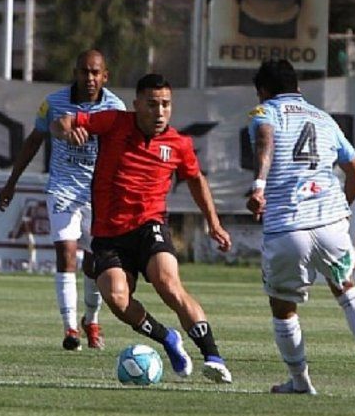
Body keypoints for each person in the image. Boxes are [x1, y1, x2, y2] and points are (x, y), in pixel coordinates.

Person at [52, 73, 234, 384]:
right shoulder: (113, 122)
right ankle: (167, 338)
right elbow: (60, 123)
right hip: (109, 234)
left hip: (150, 226)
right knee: (117, 298)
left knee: (168, 283)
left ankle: (213, 357)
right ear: (136, 105)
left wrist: (214, 223)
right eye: (152, 104)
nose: (160, 112)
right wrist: (67, 132)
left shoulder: (178, 144)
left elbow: (195, 180)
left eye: (166, 104)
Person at [245, 59, 355, 395]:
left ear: (262, 91)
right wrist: (341, 209)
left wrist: (259, 184)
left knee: (283, 307)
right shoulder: (324, 118)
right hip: (331, 224)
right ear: (298, 88)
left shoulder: (264, 112)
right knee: (347, 290)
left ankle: (300, 382)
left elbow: (264, 138)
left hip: (288, 226)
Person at [0, 50, 125, 351]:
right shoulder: (53, 103)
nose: (89, 78)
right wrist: (11, 182)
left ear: (105, 76)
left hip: (98, 195)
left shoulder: (116, 108)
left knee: (94, 262)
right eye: (84, 71)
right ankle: (70, 329)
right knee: (66, 252)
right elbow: (35, 140)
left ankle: (91, 320)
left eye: (95, 72)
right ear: (75, 73)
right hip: (62, 189)